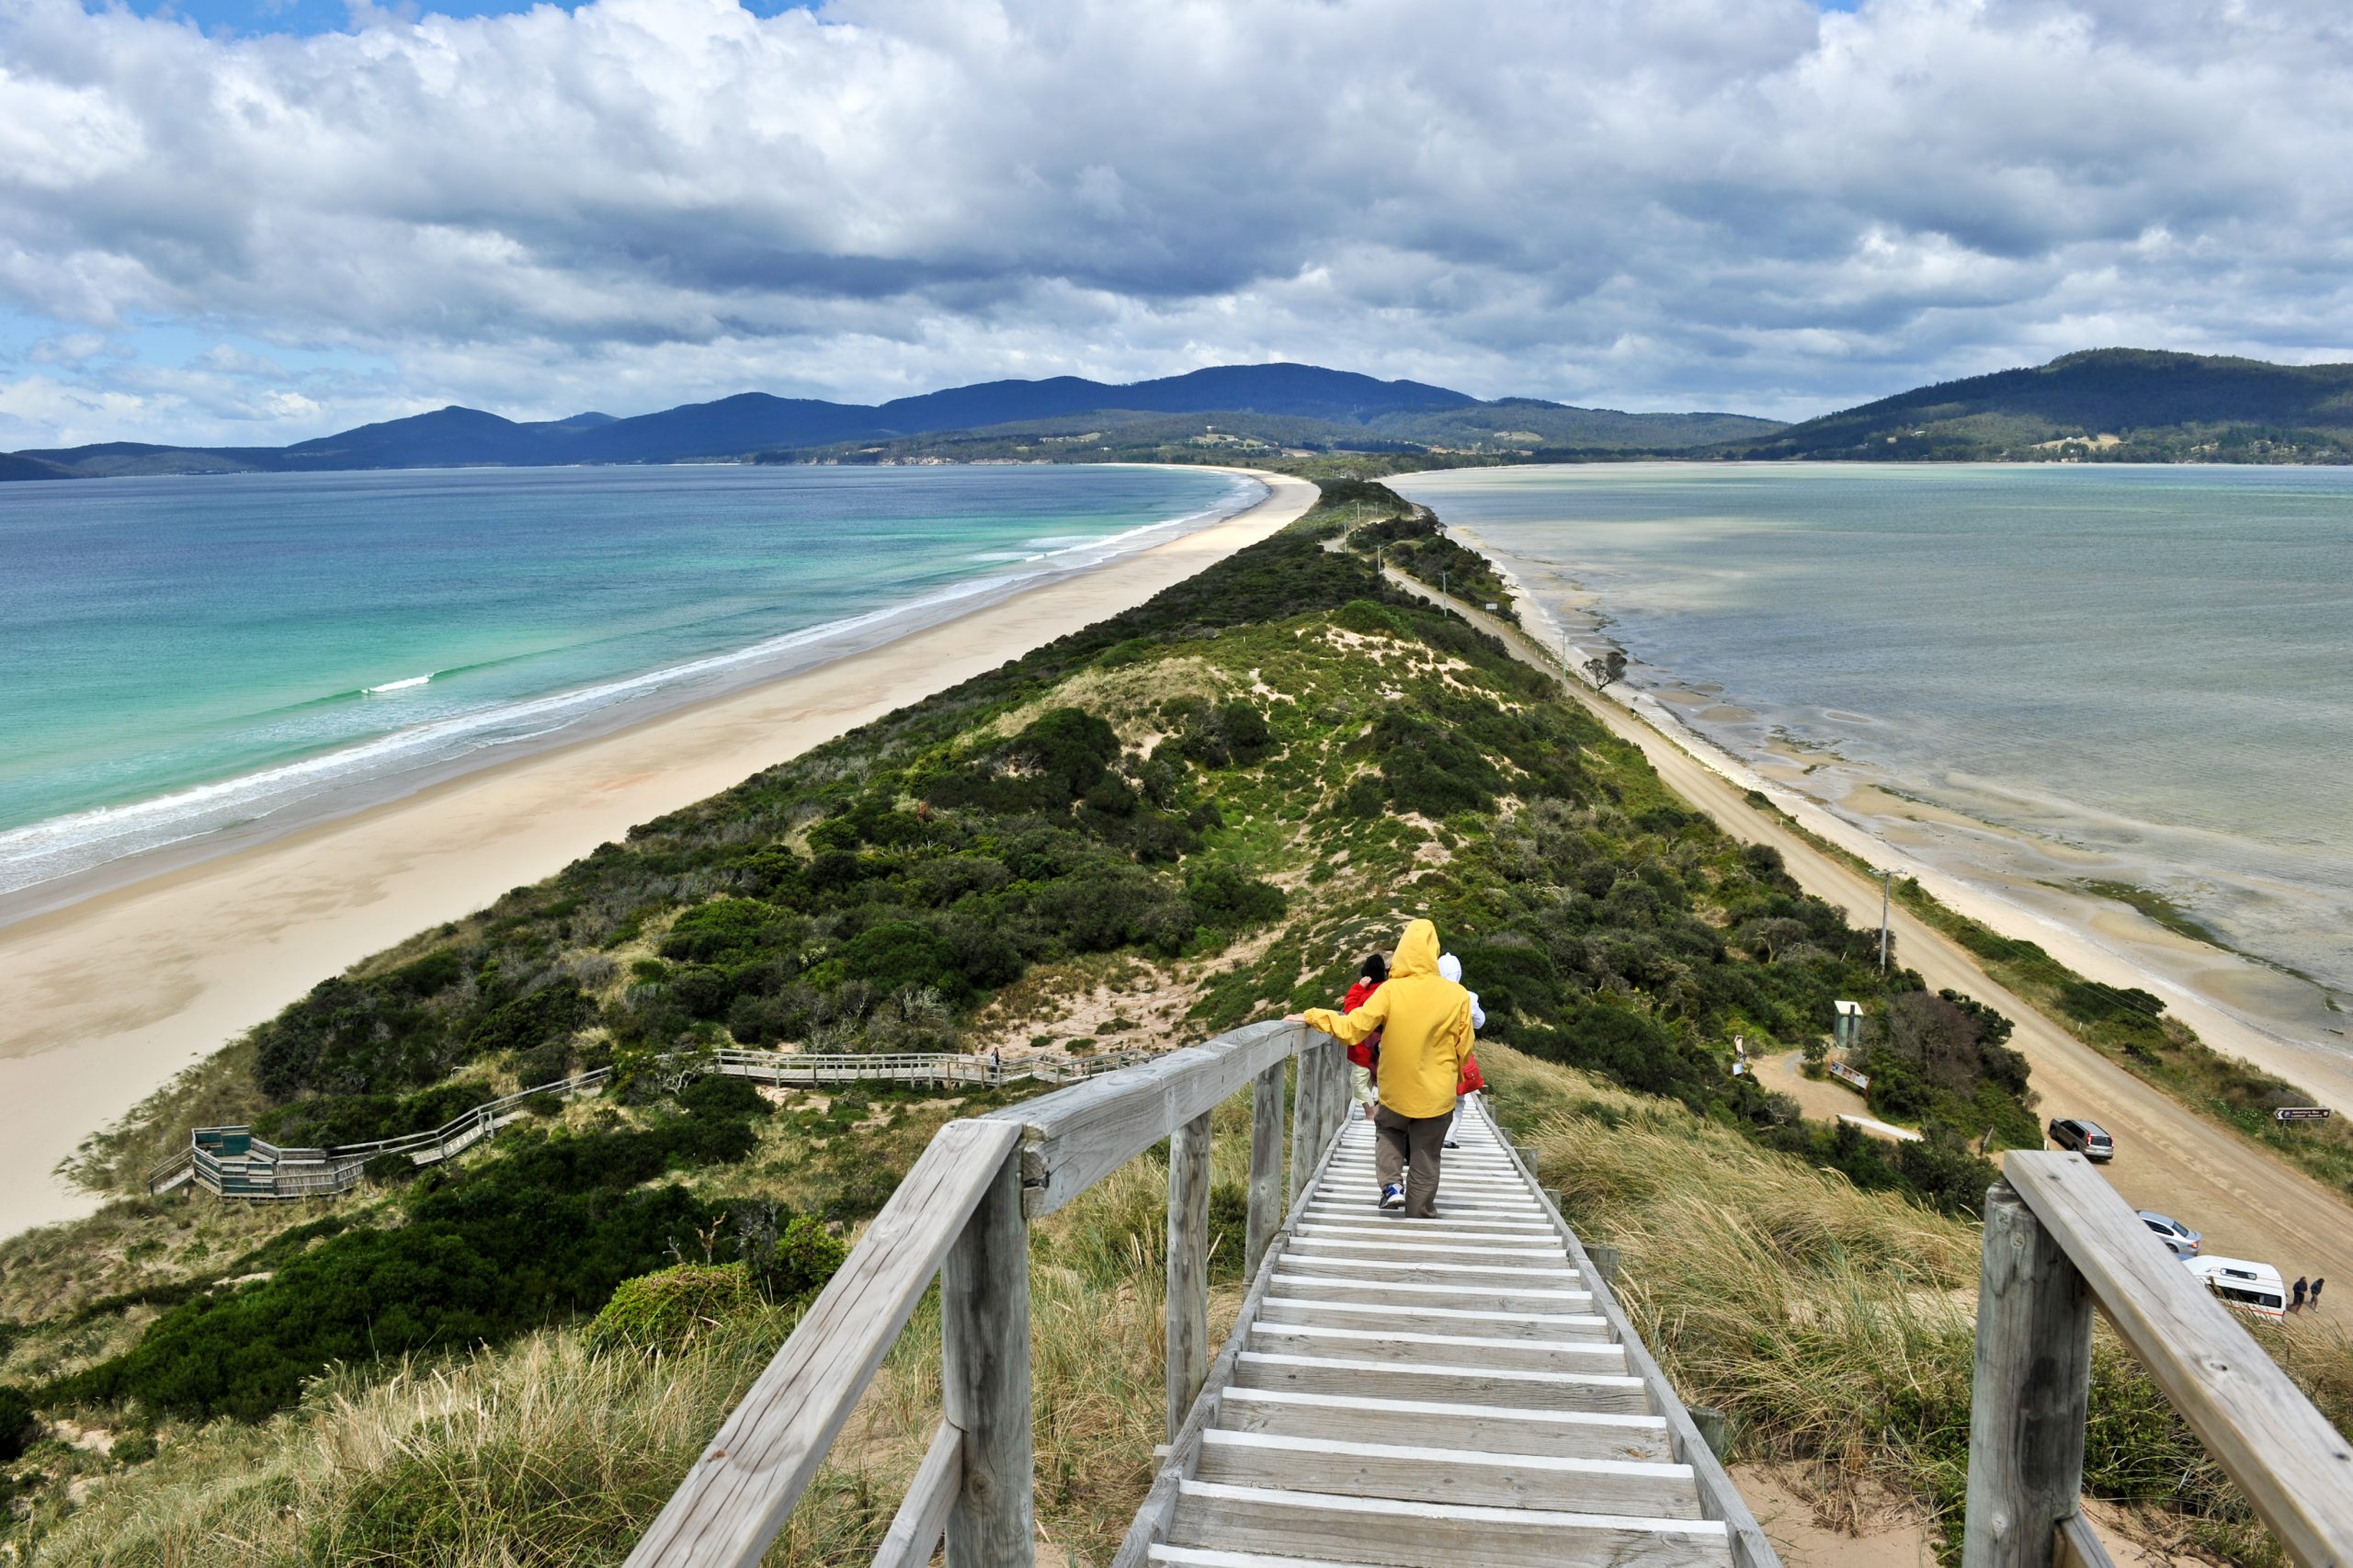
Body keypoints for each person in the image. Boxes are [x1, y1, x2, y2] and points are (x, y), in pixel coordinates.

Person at [1293, 918, 1473, 1218]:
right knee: (1427, 1154)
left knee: (1389, 1130)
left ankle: (1391, 1186)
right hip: (1438, 1093)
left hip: (1396, 1089)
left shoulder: (1390, 991)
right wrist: (1449, 1076)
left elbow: (1353, 1028)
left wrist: (1312, 1015)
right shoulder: (1457, 995)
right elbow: (1464, 1047)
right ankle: (1420, 1211)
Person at [1437, 952, 1485, 1150]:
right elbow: (1480, 1023)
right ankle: (1449, 1136)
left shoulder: (1432, 994)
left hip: (1435, 1051)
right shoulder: (1468, 997)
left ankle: (1430, 1133)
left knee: (1436, 1093)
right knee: (1457, 1098)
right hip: (1460, 1052)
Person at [1337, 954, 1388, 1127]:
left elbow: (1352, 1012)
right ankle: (1379, 1111)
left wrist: (1358, 988)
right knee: (1380, 1081)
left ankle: (1371, 1113)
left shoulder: (1369, 994)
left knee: (1358, 1082)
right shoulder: (1386, 990)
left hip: (1364, 1049)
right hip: (1382, 1048)